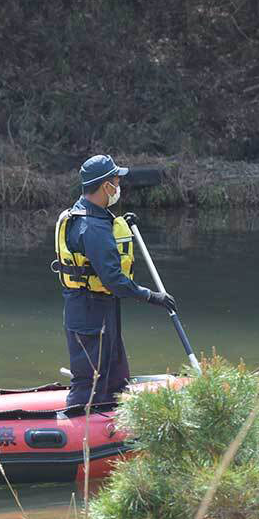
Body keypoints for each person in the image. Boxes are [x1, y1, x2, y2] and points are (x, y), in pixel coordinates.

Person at [52, 154, 176, 407]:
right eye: (115, 181)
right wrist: (152, 296)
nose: (118, 186)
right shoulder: (92, 228)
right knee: (91, 383)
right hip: (89, 313)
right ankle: (76, 432)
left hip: (99, 309)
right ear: (103, 185)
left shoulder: (92, 215)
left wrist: (121, 225)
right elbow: (114, 281)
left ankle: (114, 427)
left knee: (115, 377)